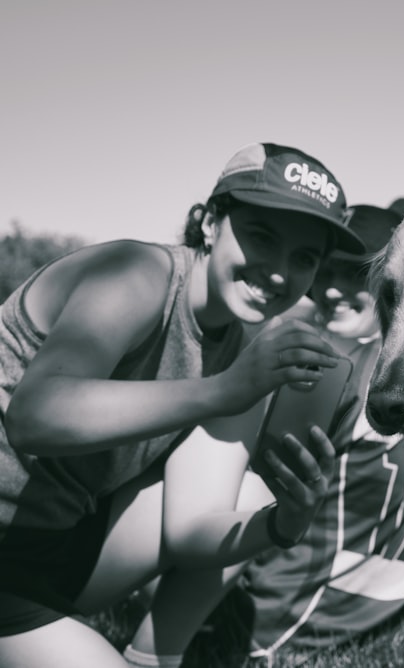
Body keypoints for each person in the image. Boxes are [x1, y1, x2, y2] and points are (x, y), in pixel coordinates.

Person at [0, 141, 366, 668]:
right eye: (262, 236)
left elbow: (190, 532)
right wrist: (222, 390)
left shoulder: (243, 345)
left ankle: (154, 658)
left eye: (304, 257)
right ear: (211, 222)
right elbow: (33, 417)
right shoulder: (135, 274)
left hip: (55, 548)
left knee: (251, 489)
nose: (281, 272)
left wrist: (282, 523)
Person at [127, 203, 404, 666]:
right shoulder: (340, 374)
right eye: (325, 271)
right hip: (300, 618)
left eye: (356, 274)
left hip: (366, 602)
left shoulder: (399, 382)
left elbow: (395, 564)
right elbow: (241, 501)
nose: (334, 289)